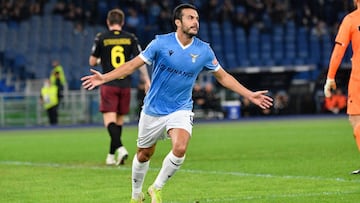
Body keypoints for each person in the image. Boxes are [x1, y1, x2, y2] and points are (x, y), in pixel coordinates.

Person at [82, 4, 273, 202]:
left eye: (197, 18)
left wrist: (249, 95)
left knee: (180, 148)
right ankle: (136, 194)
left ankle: (156, 188)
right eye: (190, 18)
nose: (195, 22)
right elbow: (131, 65)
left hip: (180, 108)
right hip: (153, 109)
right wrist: (104, 78)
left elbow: (223, 77)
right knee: (144, 154)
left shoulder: (204, 50)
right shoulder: (160, 43)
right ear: (178, 22)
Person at [88, 8, 150, 166]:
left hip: (108, 83)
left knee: (109, 121)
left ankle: (121, 148)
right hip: (125, 84)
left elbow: (92, 62)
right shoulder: (131, 38)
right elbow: (140, 60)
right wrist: (146, 80)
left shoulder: (101, 37)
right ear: (122, 22)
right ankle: (110, 155)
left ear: (108, 22)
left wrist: (103, 59)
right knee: (119, 121)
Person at [323, 0, 360, 174]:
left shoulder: (351, 20)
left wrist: (330, 77)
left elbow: (339, 50)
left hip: (359, 78)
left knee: (356, 120)